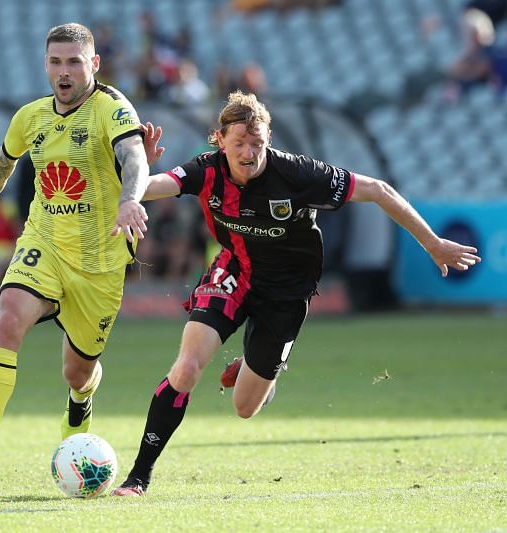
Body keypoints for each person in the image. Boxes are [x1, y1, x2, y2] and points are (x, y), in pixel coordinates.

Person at [111, 91, 482, 496]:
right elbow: (147, 187)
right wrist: (140, 165)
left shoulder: (298, 174)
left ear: (268, 139)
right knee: (186, 368)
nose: (249, 153)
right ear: (219, 140)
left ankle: (261, 373)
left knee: (244, 408)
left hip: (286, 295)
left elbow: (377, 189)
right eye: (239, 144)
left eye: (257, 143)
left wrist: (431, 243)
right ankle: (138, 477)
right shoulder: (207, 169)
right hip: (232, 274)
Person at [0, 23, 150, 488]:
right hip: (44, 241)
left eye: (75, 62)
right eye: (56, 62)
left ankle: (80, 401)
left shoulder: (112, 108)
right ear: (46, 64)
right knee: (8, 318)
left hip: (100, 261)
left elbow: (135, 156)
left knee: (77, 371)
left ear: (94, 64)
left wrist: (130, 199)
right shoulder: (32, 117)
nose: (64, 72)